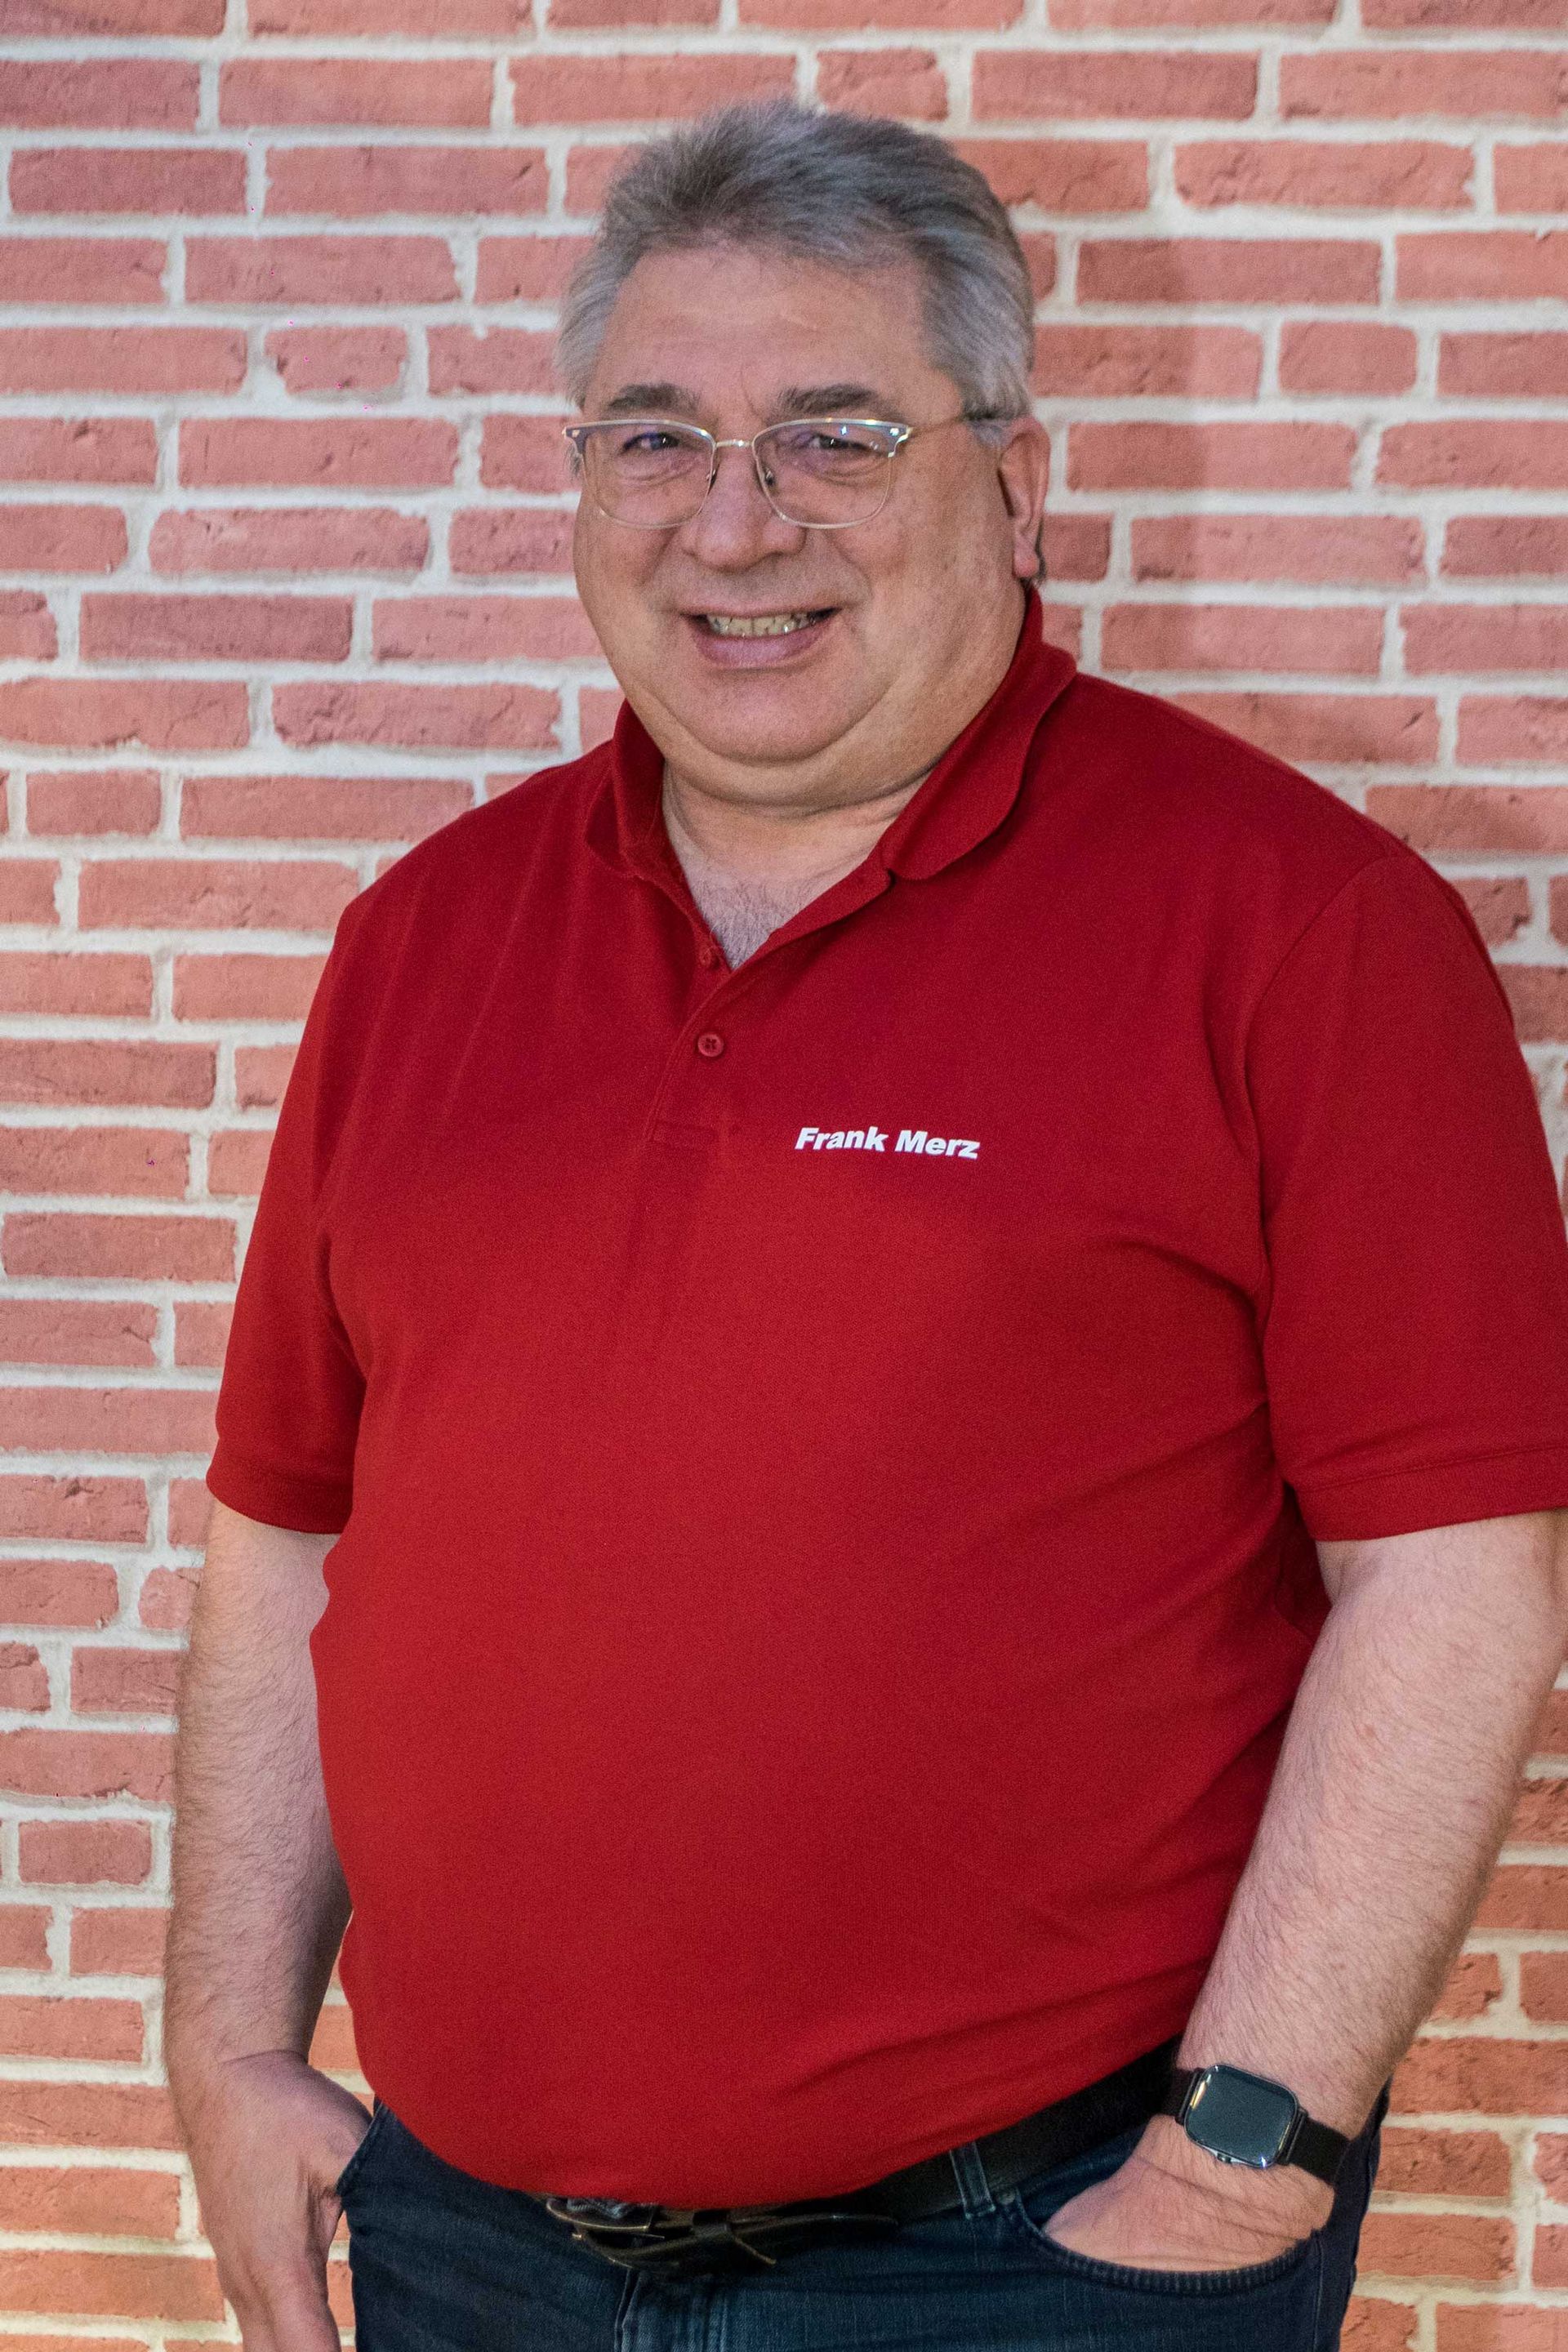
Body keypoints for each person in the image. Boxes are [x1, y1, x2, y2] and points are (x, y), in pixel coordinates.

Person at [167, 100, 1568, 2352]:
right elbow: (285, 1538)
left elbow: (1457, 1577)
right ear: (578, 478)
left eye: (834, 434)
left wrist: (1250, 2149)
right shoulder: (424, 940)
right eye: (656, 436)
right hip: (459, 2248)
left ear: (1015, 481)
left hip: (1028, 2254)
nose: (735, 524)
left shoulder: (1300, 929)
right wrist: (230, 2046)